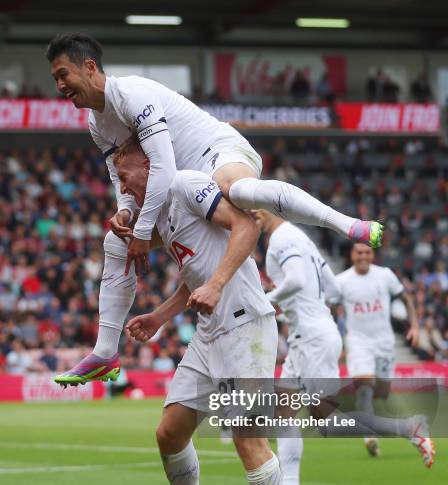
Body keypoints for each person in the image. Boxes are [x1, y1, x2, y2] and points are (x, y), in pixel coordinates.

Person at [46, 32, 383, 386]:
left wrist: (144, 233)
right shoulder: (96, 123)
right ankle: (104, 352)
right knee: (115, 242)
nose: (59, 85)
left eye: (63, 74)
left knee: (236, 189)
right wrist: (127, 214)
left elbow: (162, 167)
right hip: (183, 189)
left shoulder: (133, 95)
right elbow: (122, 178)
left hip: (216, 154)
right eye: (55, 78)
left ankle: (347, 224)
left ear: (89, 67)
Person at [115, 136, 290, 485]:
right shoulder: (164, 215)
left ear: (148, 165)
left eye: (125, 174)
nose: (122, 185)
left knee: (248, 438)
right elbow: (195, 276)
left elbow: (247, 227)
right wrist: (159, 316)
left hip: (246, 325)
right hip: (210, 333)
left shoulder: (186, 184)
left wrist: (216, 284)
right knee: (169, 433)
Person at [253, 211, 342, 485]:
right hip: (310, 336)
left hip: (312, 338)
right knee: (283, 411)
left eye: (255, 206)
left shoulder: (282, 238)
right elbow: (335, 290)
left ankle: (405, 427)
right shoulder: (302, 238)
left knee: (326, 418)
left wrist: (265, 301)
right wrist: (300, 306)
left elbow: (296, 279)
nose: (251, 212)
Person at [335, 243, 434, 467]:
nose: (362, 256)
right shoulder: (341, 281)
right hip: (359, 342)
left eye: (367, 252)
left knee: (382, 391)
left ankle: (381, 424)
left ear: (373, 255)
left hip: (384, 342)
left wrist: (415, 326)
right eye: (358, 252)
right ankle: (369, 435)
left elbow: (405, 299)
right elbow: (331, 307)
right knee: (364, 386)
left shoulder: (385, 275)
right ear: (351, 254)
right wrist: (336, 338)